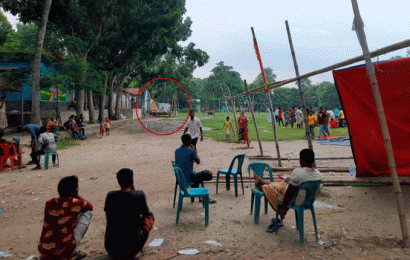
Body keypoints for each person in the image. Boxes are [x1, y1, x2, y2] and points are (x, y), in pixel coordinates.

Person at [254, 149, 321, 232]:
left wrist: (283, 209)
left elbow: (289, 193)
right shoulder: (318, 174)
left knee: (270, 188)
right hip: (308, 201)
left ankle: (261, 185)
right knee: (280, 183)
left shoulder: (298, 173)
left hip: (295, 200)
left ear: (301, 160)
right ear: (313, 161)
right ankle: (262, 181)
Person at [38, 175, 93, 260]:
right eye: (76, 188)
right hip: (65, 250)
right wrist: (76, 195)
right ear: (73, 191)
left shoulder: (49, 203)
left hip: (44, 249)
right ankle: (72, 253)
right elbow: (90, 207)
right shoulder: (77, 203)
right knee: (88, 214)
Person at [104, 168, 155, 259]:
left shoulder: (110, 195)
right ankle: (136, 252)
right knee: (150, 216)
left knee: (111, 223)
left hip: (111, 247)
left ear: (118, 181)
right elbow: (146, 213)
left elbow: (108, 220)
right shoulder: (139, 195)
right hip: (132, 248)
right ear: (132, 180)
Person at [175, 134, 216, 203]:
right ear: (189, 141)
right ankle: (202, 197)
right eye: (190, 140)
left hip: (181, 178)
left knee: (195, 175)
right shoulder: (190, 150)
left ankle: (200, 198)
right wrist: (194, 149)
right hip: (188, 178)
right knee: (208, 173)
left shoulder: (177, 150)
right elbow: (198, 161)